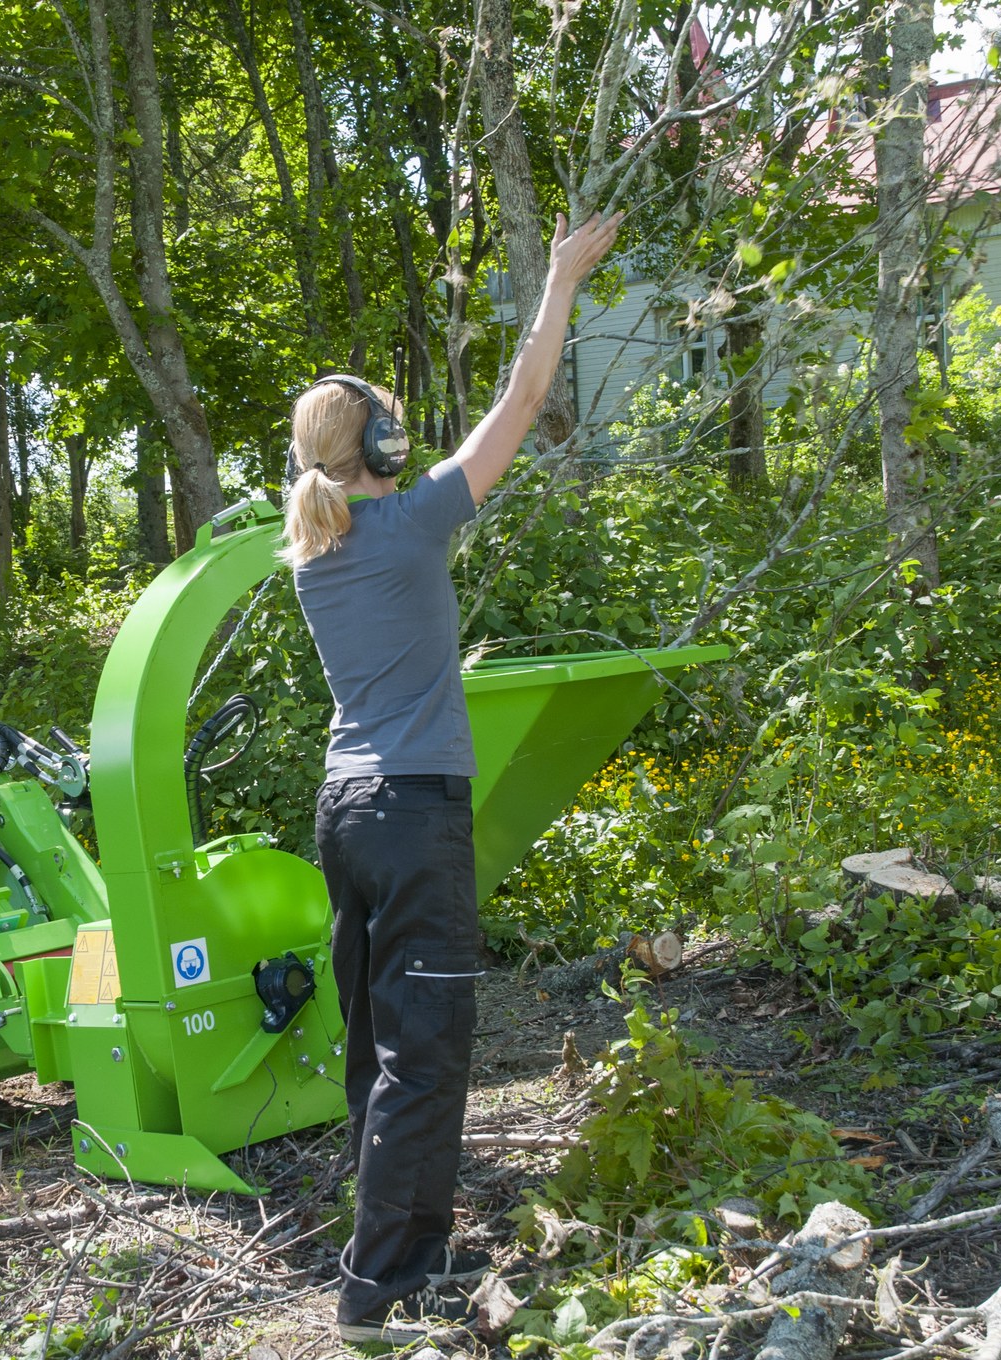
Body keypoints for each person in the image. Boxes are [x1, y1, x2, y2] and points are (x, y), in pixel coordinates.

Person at [285, 209, 621, 1346]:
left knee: (383, 1050)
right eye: (389, 423)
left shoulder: (320, 546)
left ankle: (407, 1248)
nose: (403, 435)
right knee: (425, 1054)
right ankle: (377, 1292)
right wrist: (557, 285)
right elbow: (518, 405)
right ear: (374, 450)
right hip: (413, 809)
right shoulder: (408, 521)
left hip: (346, 810)